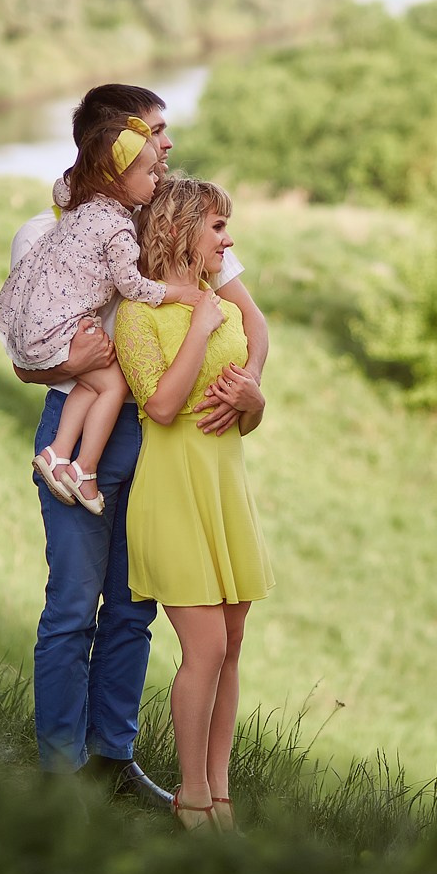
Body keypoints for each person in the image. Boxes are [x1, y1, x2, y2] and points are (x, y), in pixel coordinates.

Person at [7, 84, 269, 805]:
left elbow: (249, 319)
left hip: (158, 447)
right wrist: (78, 362)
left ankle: (112, 759)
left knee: (133, 608)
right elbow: (26, 360)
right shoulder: (44, 234)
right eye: (156, 131)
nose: (167, 144)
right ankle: (60, 771)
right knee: (73, 604)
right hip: (82, 427)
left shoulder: (171, 220)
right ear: (111, 144)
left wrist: (250, 387)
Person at [114, 175, 271, 832]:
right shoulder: (138, 313)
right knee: (203, 649)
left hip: (225, 489)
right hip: (173, 492)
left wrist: (255, 402)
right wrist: (201, 329)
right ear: (180, 233)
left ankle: (221, 795)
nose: (227, 240)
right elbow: (162, 404)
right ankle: (191, 795)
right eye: (216, 228)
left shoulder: (227, 309)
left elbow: (241, 414)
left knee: (231, 646)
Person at [0, 114, 201, 514]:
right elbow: (132, 287)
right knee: (113, 383)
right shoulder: (119, 231)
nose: (156, 178)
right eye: (147, 172)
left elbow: (64, 186)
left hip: (37, 325)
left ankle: (57, 454)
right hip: (58, 333)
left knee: (92, 383)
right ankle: (84, 469)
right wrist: (180, 294)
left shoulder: (80, 198)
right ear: (118, 180)